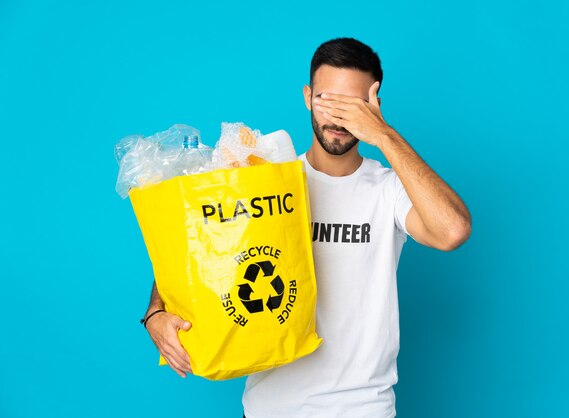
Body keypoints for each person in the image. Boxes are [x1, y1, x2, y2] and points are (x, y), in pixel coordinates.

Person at [142, 37, 472, 418]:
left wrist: (384, 135)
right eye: (326, 101)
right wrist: (155, 312)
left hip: (363, 408)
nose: (337, 118)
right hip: (269, 408)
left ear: (374, 107)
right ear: (307, 96)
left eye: (353, 106)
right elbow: (197, 256)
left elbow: (452, 230)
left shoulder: (388, 189)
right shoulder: (265, 184)